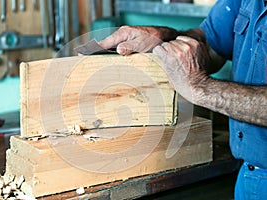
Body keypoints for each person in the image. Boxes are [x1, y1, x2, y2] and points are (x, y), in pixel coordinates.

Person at [99, 0, 267, 199]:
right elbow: (210, 47)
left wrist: (201, 87)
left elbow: (198, 82)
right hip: (250, 176)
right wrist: (164, 40)